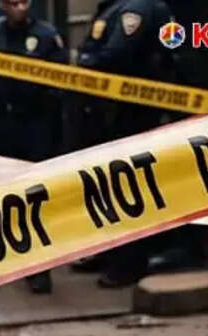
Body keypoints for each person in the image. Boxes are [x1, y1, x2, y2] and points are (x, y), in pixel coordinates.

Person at [68, 0, 186, 288]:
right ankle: (111, 253)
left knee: (129, 187)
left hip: (132, 115)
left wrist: (81, 62)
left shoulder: (137, 8)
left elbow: (117, 54)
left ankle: (127, 264)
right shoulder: (115, 7)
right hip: (117, 115)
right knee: (111, 186)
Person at [0, 0, 67, 294]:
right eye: (13, 3)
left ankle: (39, 269)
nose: (19, 8)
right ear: (2, 5)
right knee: (3, 200)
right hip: (1, 128)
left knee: (36, 200)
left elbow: (63, 82)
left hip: (36, 127)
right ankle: (5, 263)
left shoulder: (48, 37)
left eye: (23, 2)